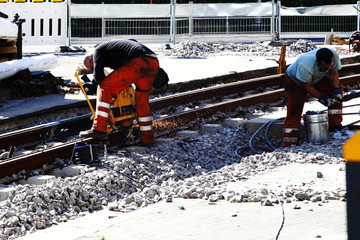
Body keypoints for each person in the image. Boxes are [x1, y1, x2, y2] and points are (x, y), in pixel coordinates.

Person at [79, 39, 163, 145]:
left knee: (105, 87)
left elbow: (98, 76)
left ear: (91, 60)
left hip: (138, 61)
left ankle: (99, 129)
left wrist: (94, 85)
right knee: (141, 100)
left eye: (92, 66)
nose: (94, 67)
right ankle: (148, 139)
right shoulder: (114, 51)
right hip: (153, 61)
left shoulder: (97, 51)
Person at [283, 47, 343, 147]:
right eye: (323, 69)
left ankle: (335, 126)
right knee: (294, 109)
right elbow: (307, 86)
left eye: (327, 68)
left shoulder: (334, 56)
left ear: (332, 61)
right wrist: (322, 97)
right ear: (318, 63)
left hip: (315, 78)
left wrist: (335, 90)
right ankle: (289, 142)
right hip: (295, 82)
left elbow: (333, 73)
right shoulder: (305, 65)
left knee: (337, 93)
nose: (325, 70)